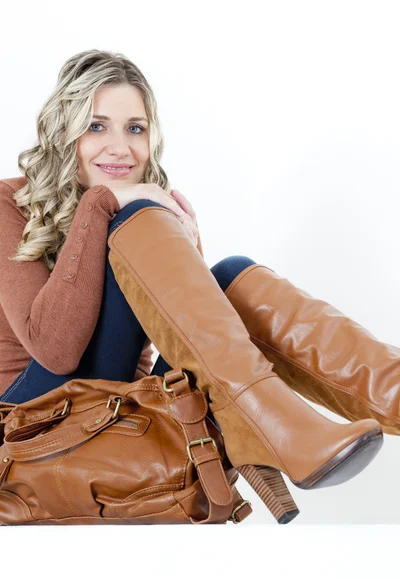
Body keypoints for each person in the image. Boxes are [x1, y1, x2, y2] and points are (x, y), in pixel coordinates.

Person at [0, 49, 392, 523]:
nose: (120, 147)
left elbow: (195, 341)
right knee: (140, 224)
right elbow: (55, 352)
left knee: (230, 276)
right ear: (65, 132)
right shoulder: (10, 203)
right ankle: (272, 425)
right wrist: (102, 204)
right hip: (31, 425)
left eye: (135, 128)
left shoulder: (143, 213)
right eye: (96, 126)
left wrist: (175, 237)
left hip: (124, 410)